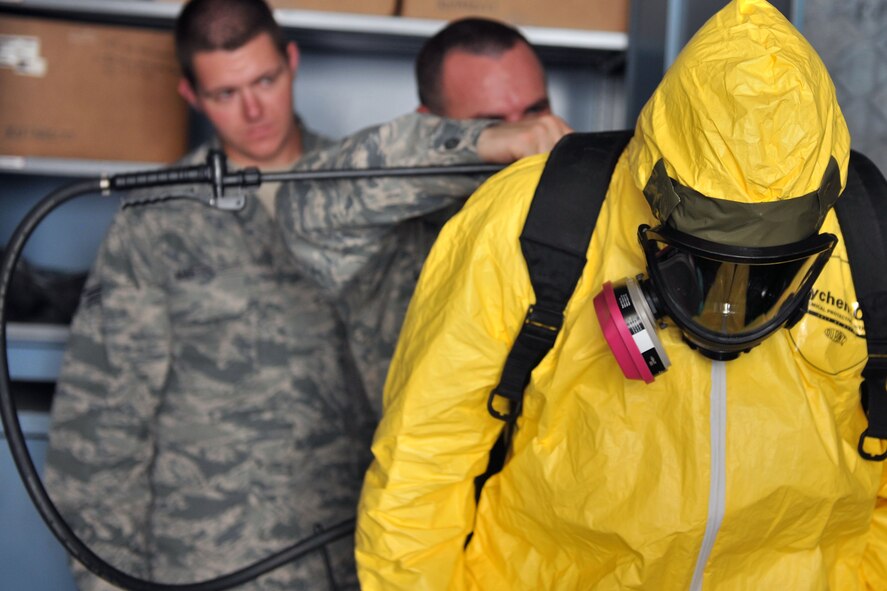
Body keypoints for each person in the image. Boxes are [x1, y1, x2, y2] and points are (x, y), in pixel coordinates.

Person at [355, 1, 887, 589]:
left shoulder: (869, 237)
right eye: (704, 261)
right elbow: (422, 461)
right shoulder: (537, 218)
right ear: (656, 188)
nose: (728, 303)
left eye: (768, 270)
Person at [42, 1, 567, 590]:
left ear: (292, 63)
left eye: (265, 80)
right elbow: (102, 428)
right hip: (215, 558)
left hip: (352, 553)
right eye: (225, 93)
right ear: (192, 96)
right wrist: (106, 581)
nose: (254, 109)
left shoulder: (373, 186)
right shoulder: (154, 223)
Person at [277, 17, 570, 413]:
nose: (529, 138)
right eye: (492, 122)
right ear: (431, 122)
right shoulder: (396, 240)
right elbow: (303, 201)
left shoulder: (583, 209)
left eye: (537, 111)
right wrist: (478, 144)